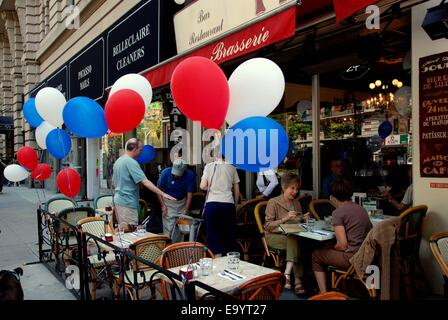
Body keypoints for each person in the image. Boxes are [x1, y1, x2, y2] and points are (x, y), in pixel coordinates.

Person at [312, 179, 372, 293]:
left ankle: (324, 293)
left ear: (333, 197)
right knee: (328, 249)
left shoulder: (338, 213)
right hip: (367, 255)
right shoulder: (361, 209)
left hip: (352, 258)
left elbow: (343, 245)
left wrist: (331, 248)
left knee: (316, 255)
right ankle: (343, 287)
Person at [112, 138, 175, 228]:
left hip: (119, 201)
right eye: (140, 150)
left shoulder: (119, 161)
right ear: (134, 149)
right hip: (127, 203)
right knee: (130, 233)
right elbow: (145, 181)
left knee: (123, 232)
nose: (141, 153)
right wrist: (163, 194)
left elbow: (114, 183)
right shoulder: (131, 162)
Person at [264, 172, 310, 295]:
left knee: (294, 239)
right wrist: (285, 218)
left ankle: (287, 274)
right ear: (284, 187)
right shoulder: (273, 202)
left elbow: (297, 223)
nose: (295, 192)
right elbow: (267, 226)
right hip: (274, 236)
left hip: (291, 237)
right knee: (295, 240)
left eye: (297, 188)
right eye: (292, 188)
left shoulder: (297, 203)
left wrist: (303, 219)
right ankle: (298, 280)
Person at [200, 155, 240, 256]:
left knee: (213, 234)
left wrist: (211, 187)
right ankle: (229, 260)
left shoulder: (208, 166)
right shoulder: (232, 167)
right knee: (229, 234)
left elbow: (202, 186)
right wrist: (235, 204)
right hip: (228, 204)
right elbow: (237, 190)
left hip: (212, 204)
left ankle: (217, 258)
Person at [157, 159, 196, 242]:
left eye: (178, 174)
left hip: (182, 202)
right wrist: (163, 206)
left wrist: (185, 209)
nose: (176, 176)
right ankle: (168, 249)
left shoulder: (190, 175)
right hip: (168, 202)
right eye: (174, 173)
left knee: (182, 228)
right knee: (169, 228)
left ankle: (178, 250)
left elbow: (190, 194)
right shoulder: (165, 173)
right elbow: (158, 190)